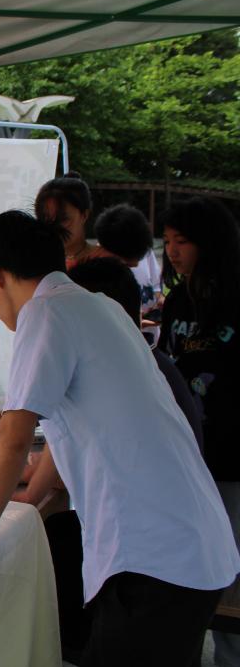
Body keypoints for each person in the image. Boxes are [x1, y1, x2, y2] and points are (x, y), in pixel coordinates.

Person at [0, 210, 239, 667]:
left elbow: (14, 434)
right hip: (190, 546)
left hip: (154, 558)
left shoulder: (46, 311)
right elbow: (75, 419)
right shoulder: (99, 307)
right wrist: (27, 476)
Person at [158, 196, 240, 666]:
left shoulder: (235, 298)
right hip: (186, 454)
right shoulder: (176, 301)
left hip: (231, 456)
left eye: (183, 241)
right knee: (191, 558)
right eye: (168, 241)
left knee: (233, 562)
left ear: (211, 243)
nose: (172, 251)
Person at [93, 202, 162, 343]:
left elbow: (157, 290)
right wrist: (136, 322)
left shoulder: (143, 251)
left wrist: (159, 304)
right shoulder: (94, 277)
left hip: (150, 339)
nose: (135, 265)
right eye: (128, 264)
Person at [34, 172, 98, 270]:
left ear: (84, 215)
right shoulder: (33, 263)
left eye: (62, 219)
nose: (52, 227)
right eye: (44, 218)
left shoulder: (108, 262)